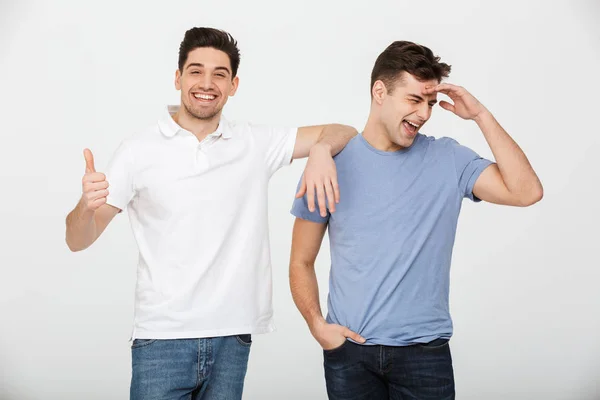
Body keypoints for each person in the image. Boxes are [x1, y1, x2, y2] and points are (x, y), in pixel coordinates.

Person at [65, 27, 357, 400]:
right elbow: (78, 240)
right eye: (196, 70)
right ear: (178, 78)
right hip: (162, 338)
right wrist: (84, 206)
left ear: (234, 84)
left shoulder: (255, 142)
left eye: (219, 74)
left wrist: (319, 152)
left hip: (232, 337)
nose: (207, 83)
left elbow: (342, 130)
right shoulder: (139, 150)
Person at [289, 40, 543, 399]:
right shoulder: (329, 165)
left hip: (425, 355)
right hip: (349, 355)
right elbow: (301, 260)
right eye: (414, 99)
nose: (424, 113)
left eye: (430, 103)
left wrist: (481, 116)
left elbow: (526, 192)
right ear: (380, 91)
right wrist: (318, 326)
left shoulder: (448, 159)